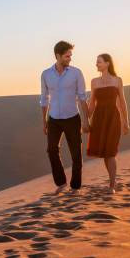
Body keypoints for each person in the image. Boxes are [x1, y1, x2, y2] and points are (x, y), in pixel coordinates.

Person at [40, 41, 90, 194]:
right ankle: (61, 182)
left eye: (70, 56)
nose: (70, 58)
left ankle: (75, 187)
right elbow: (44, 99)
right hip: (54, 119)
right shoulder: (46, 74)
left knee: (76, 153)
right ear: (58, 56)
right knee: (51, 149)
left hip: (72, 118)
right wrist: (44, 121)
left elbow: (82, 97)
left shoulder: (76, 73)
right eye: (67, 56)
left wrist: (86, 120)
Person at [86, 53, 130, 193]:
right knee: (105, 153)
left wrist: (126, 122)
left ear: (107, 63)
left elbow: (122, 102)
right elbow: (92, 103)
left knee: (110, 152)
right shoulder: (94, 82)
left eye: (99, 62)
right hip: (99, 119)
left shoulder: (117, 80)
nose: (96, 64)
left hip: (113, 118)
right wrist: (85, 120)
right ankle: (112, 182)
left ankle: (112, 184)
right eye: (96, 62)